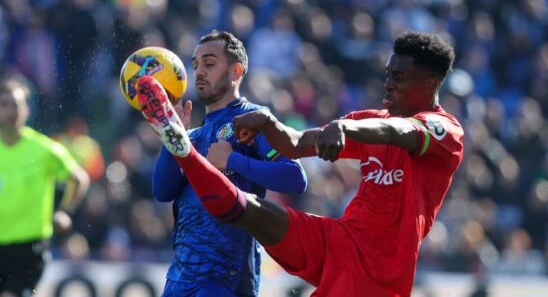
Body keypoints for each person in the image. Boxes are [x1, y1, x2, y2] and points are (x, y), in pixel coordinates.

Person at [137, 30, 463, 296]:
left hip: (381, 269)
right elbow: (298, 144)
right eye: (388, 74)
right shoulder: (370, 118)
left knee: (250, 210)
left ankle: (185, 155)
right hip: (336, 238)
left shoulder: (444, 131)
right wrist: (269, 124)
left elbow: (400, 132)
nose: (388, 83)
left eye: (400, 77)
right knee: (256, 211)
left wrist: (344, 127)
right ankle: (182, 150)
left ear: (430, 84)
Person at [150, 30, 307, 297]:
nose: (199, 71)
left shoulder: (254, 118)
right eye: (196, 64)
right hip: (179, 278)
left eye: (209, 64)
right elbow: (162, 192)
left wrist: (233, 159)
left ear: (236, 71)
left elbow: (295, 178)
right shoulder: (193, 136)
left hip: (226, 279)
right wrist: (172, 136)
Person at [0, 77, 89, 297]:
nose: (10, 111)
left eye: (16, 105)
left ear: (27, 110)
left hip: (29, 247)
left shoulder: (44, 149)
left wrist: (64, 212)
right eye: (4, 105)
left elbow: (79, 179)